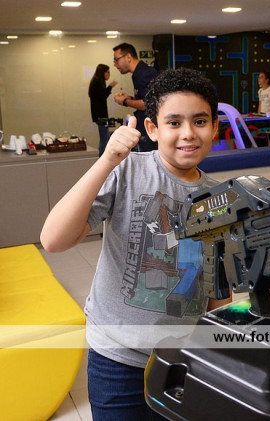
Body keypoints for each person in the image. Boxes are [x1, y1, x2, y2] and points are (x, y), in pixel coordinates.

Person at [40, 68, 231, 420]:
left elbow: (217, 288)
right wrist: (107, 160)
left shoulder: (220, 197)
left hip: (182, 359)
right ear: (152, 129)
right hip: (117, 358)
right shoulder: (127, 171)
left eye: (200, 121)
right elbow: (53, 240)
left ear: (215, 127)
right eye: (174, 122)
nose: (188, 133)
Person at [112, 42, 158, 151]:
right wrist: (131, 98)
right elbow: (144, 98)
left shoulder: (145, 73)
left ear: (128, 57)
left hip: (149, 130)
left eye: (116, 59)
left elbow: (148, 104)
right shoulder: (138, 73)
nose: (115, 64)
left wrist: (125, 101)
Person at [88, 64, 118, 156]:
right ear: (103, 73)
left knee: (106, 138)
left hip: (100, 115)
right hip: (100, 116)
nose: (109, 74)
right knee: (104, 140)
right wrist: (110, 86)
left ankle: (103, 157)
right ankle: (102, 158)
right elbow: (103, 96)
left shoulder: (97, 82)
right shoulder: (97, 83)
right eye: (108, 72)